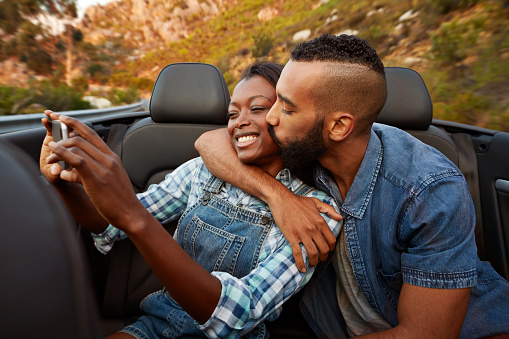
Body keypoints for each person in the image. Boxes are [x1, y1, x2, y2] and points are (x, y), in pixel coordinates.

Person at [195, 34, 509, 338]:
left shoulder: (429, 191)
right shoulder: (307, 146)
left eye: (287, 108)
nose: (272, 118)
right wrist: (279, 198)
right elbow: (209, 143)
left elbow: (423, 334)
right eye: (275, 101)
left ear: (339, 126)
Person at [40, 62, 343, 339]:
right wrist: (64, 186)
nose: (240, 123)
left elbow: (239, 314)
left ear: (285, 115)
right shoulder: (203, 171)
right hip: (158, 324)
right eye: (232, 113)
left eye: (257, 109)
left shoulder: (317, 211)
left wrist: (134, 216)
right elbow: (111, 226)